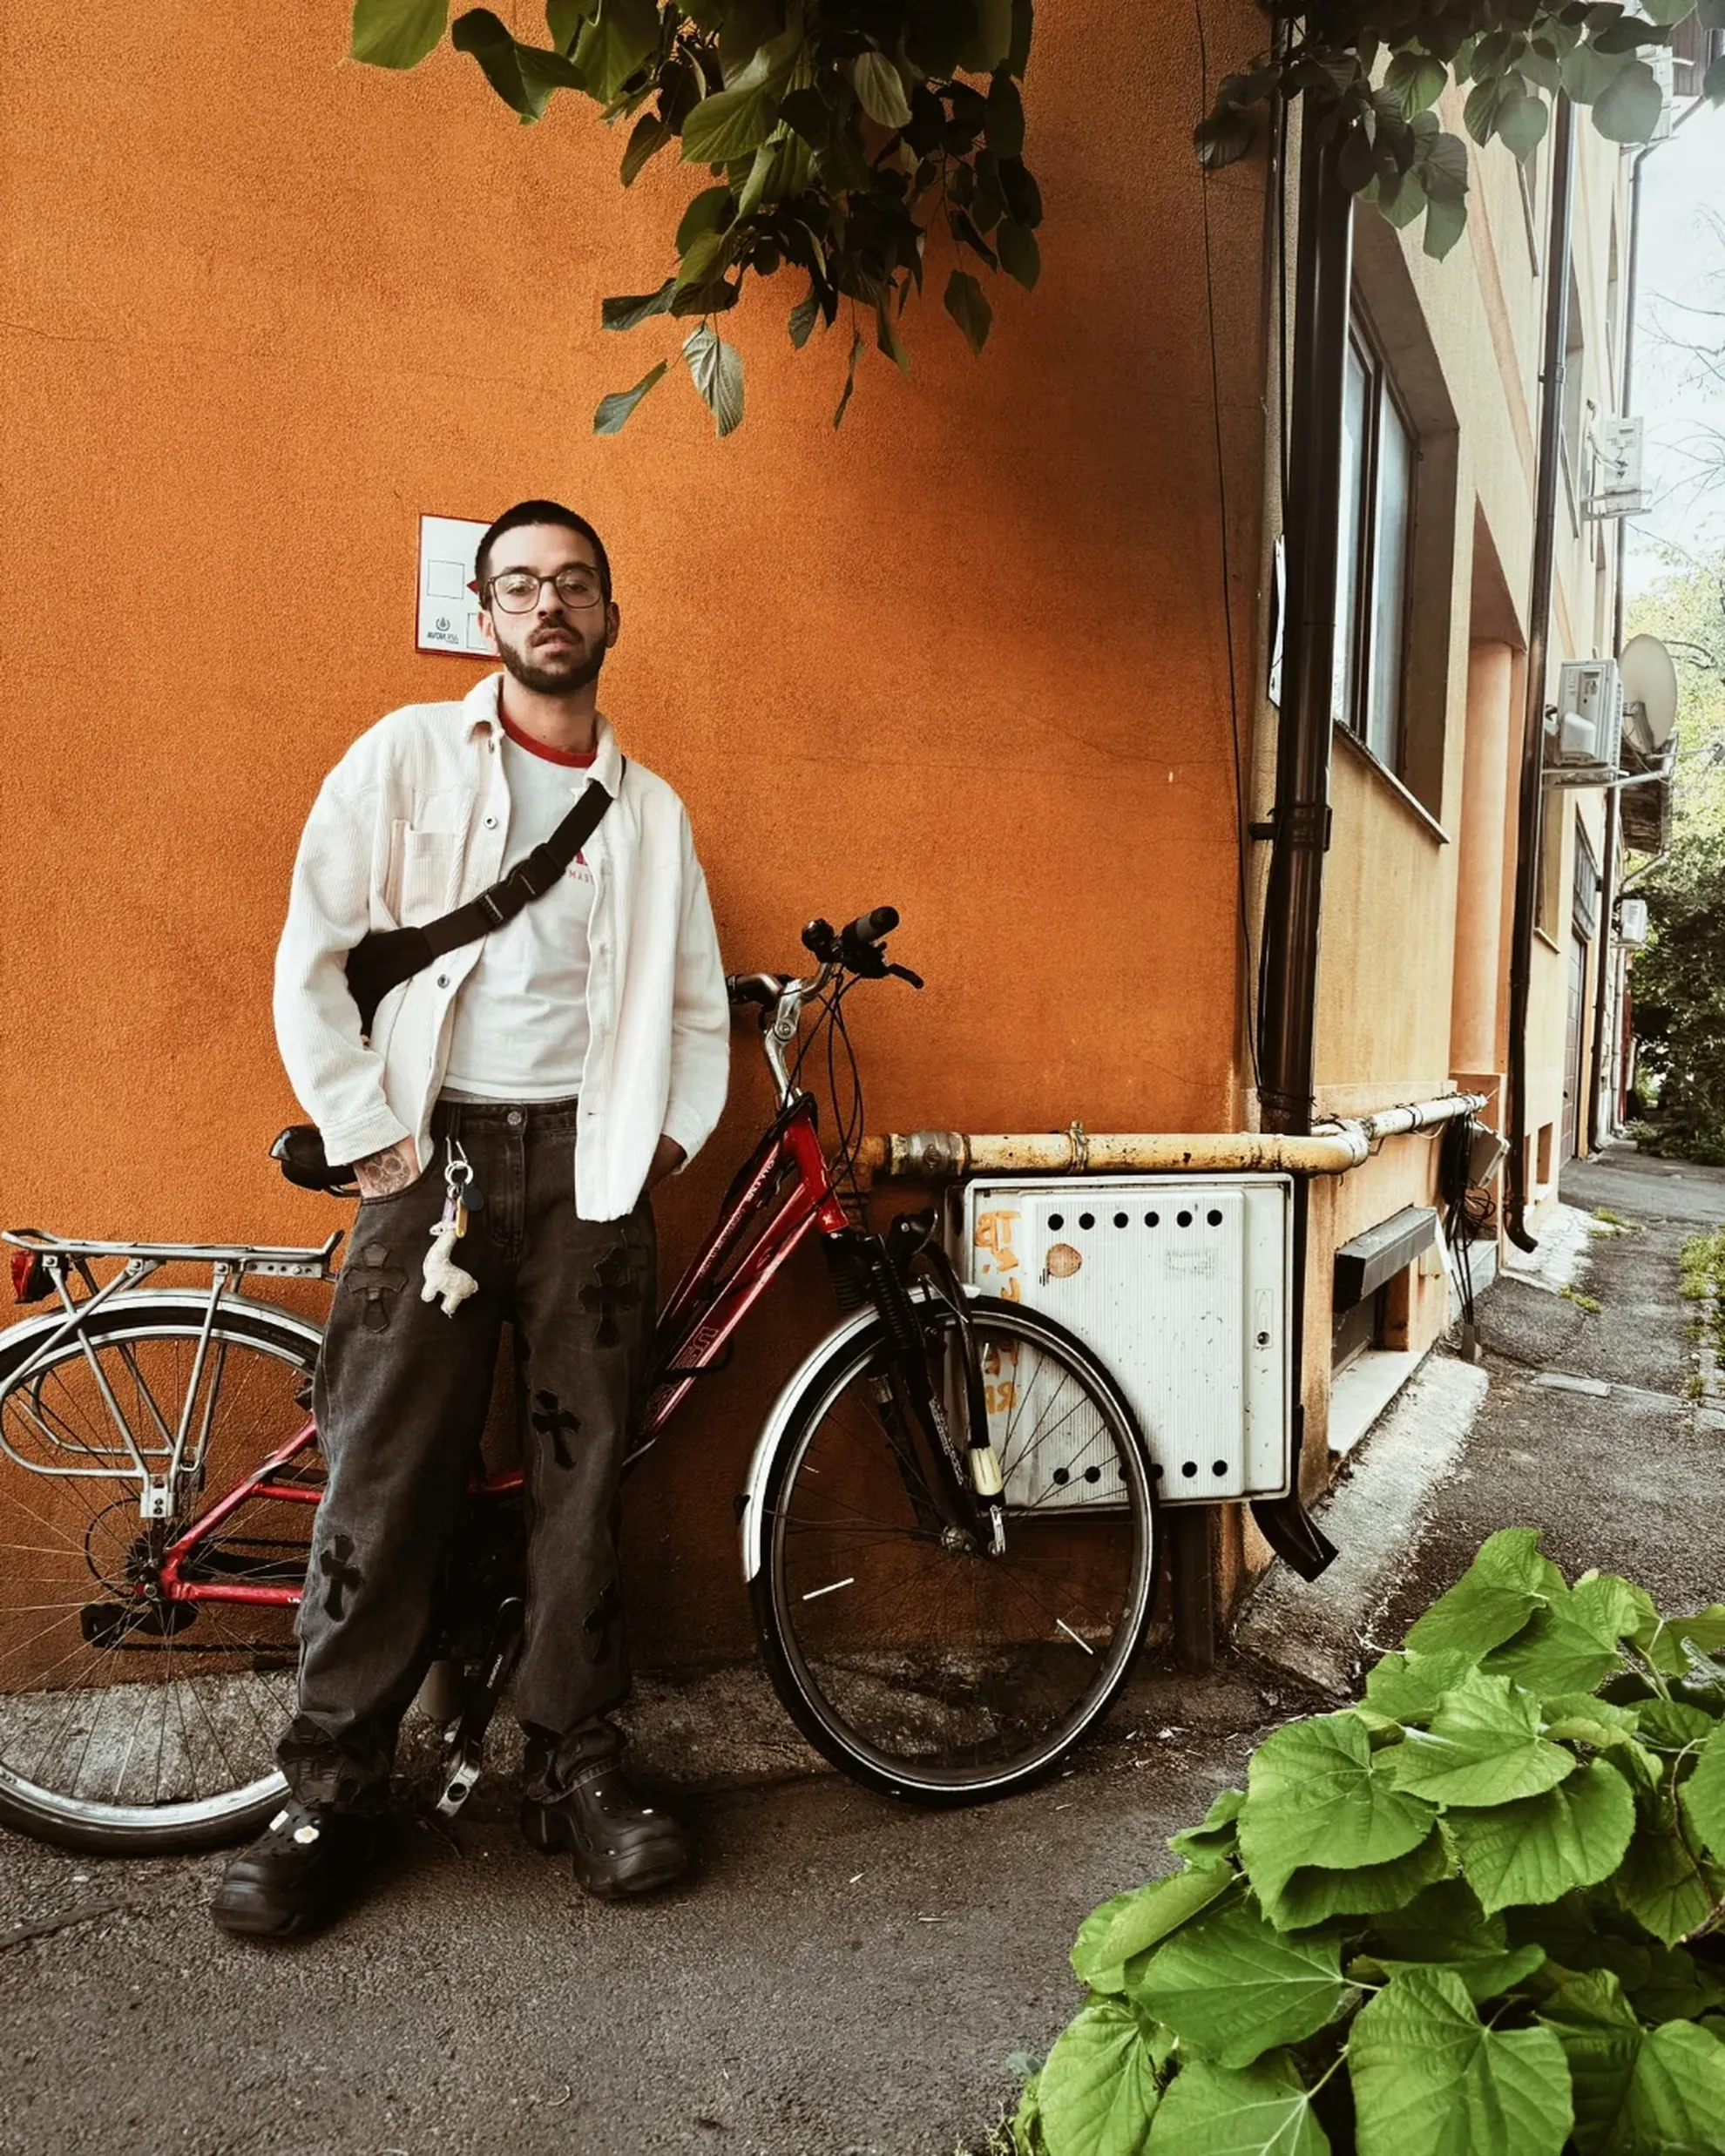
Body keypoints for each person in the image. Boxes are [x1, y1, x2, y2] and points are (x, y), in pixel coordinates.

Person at [213, 500, 729, 1936]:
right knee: (384, 1470)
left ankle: (576, 1764)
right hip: (426, 1163)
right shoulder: (403, 757)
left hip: (588, 1177)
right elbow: (311, 956)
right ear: (484, 613)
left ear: (610, 615)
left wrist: (650, 1145)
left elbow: (696, 1006)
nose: (549, 604)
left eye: (575, 583)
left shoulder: (653, 813)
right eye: (520, 584)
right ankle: (332, 1790)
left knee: (585, 1478)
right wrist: (370, 1135)